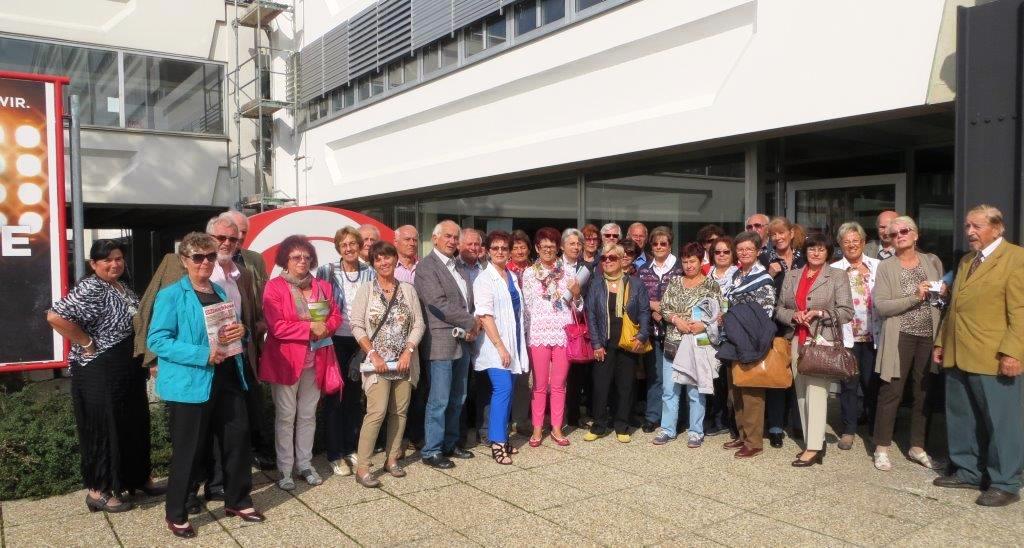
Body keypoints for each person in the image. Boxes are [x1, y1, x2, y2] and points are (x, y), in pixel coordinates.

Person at [134, 213, 274, 483]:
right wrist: (153, 359)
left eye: (234, 238)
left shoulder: (243, 273)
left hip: (233, 361)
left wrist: (249, 331)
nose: (228, 243)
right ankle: (192, 489)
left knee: (230, 429)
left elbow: (248, 314)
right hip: (192, 366)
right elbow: (154, 310)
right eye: (221, 237)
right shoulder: (178, 265)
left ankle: (220, 485)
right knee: (194, 437)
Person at [147, 232, 263, 538]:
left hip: (228, 377)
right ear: (184, 260)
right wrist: (202, 354)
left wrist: (241, 331)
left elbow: (229, 331)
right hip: (191, 382)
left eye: (210, 256)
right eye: (198, 257)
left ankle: (238, 500)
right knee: (189, 450)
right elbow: (157, 340)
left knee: (237, 440)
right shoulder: (171, 295)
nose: (205, 262)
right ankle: (176, 513)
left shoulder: (220, 291)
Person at [47, 239, 160, 514]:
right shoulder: (91, 287)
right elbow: (54, 317)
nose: (115, 264)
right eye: (107, 260)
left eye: (118, 258)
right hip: (100, 369)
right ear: (93, 264)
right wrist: (86, 343)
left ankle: (137, 479)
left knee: (133, 423)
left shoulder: (121, 286)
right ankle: (98, 491)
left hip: (127, 367)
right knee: (103, 428)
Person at [933, 204, 1024, 507]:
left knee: (1001, 422)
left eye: (977, 226)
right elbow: (955, 306)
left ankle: (1006, 482)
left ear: (997, 228)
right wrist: (941, 342)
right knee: (962, 417)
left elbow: (1020, 312)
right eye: (967, 226)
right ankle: (968, 470)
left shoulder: (1016, 258)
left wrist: (1013, 352)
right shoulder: (967, 260)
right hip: (958, 352)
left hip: (993, 357)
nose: (970, 232)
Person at [260, 235, 342, 490]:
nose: (302, 261)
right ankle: (285, 469)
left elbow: (335, 316)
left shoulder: (321, 286)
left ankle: (305, 464)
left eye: (307, 257)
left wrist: (325, 327)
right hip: (286, 362)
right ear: (285, 260)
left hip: (316, 359)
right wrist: (309, 328)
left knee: (308, 414)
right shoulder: (275, 287)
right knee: (286, 416)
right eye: (296, 257)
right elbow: (277, 326)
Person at [349, 241, 425, 487]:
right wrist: (373, 354)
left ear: (395, 259)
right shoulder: (366, 290)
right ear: (373, 263)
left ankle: (392, 459)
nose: (384, 262)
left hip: (404, 363)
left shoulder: (408, 290)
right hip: (377, 365)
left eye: (387, 257)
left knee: (399, 412)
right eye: (378, 259)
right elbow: (356, 325)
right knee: (376, 412)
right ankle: (362, 467)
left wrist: (408, 351)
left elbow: (418, 324)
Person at [871, 216, 943, 472]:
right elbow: (882, 306)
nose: (899, 236)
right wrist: (914, 297)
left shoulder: (931, 261)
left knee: (923, 391)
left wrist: (942, 294)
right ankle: (881, 447)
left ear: (915, 234)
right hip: (900, 335)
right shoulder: (886, 267)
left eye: (904, 231)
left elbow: (939, 302)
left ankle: (917, 446)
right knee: (892, 391)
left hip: (928, 335)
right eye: (893, 234)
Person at [776, 232, 853, 467]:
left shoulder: (837, 275)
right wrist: (794, 315)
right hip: (797, 340)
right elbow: (779, 308)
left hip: (822, 341)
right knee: (801, 393)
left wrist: (820, 313)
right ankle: (814, 440)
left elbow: (846, 312)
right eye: (812, 248)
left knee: (817, 393)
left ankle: (813, 448)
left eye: (821, 249)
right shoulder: (792, 275)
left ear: (828, 252)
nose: (816, 253)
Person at [414, 220, 481, 469]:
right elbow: (437, 303)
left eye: (455, 237)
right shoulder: (426, 267)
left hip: (463, 340)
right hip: (440, 341)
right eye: (447, 236)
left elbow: (466, 301)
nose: (452, 241)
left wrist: (471, 326)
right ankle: (432, 450)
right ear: (435, 238)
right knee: (439, 400)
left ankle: (450, 444)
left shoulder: (459, 266)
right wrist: (472, 322)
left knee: (458, 397)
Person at [316, 226, 375, 477]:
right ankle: (334, 453)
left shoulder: (369, 272)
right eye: (344, 245)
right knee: (334, 396)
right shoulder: (327, 271)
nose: (349, 248)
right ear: (338, 248)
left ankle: (351, 447)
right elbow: (319, 303)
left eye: (353, 243)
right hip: (334, 340)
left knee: (354, 396)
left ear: (359, 246)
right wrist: (319, 331)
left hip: (360, 341)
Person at [655, 242, 725, 448]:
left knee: (695, 390)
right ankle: (667, 429)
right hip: (674, 341)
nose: (688, 265)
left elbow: (721, 312)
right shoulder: (675, 281)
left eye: (692, 261)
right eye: (685, 261)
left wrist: (704, 324)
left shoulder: (711, 285)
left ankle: (696, 431)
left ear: (701, 261)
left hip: (698, 342)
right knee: (670, 389)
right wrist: (676, 320)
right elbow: (664, 307)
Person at [473, 231, 530, 464]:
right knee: (503, 389)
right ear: (487, 251)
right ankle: (496, 442)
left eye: (504, 248)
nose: (500, 252)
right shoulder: (484, 279)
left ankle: (504, 438)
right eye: (495, 248)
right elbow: (485, 316)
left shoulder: (511, 276)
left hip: (513, 342)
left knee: (509, 391)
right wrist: (500, 347)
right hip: (495, 345)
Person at [584, 243, 651, 443]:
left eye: (612, 258)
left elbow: (644, 312)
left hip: (627, 342)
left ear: (622, 260)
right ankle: (599, 426)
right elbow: (591, 315)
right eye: (604, 258)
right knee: (600, 386)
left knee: (625, 386)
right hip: (604, 342)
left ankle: (622, 425)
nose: (607, 261)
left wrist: (642, 335)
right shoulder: (596, 284)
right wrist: (596, 344)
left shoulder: (636, 284)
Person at [522, 227, 582, 447]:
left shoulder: (568, 272)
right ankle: (537, 428)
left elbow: (578, 306)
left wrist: (577, 294)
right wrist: (527, 336)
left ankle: (556, 427)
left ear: (558, 248)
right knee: (539, 384)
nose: (548, 250)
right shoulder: (529, 273)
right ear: (537, 248)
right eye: (544, 246)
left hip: (563, 333)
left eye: (552, 246)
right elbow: (527, 307)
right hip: (538, 333)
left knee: (558, 384)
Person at [720, 231, 776, 458]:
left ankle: (754, 442)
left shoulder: (763, 278)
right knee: (735, 391)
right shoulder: (736, 275)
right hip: (732, 339)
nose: (744, 253)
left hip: (750, 340)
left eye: (749, 249)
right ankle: (742, 435)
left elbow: (765, 313)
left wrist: (735, 317)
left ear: (758, 251)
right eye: (740, 249)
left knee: (751, 393)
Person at [830, 222, 881, 451]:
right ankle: (849, 430)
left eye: (855, 240)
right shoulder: (834, 269)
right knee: (849, 385)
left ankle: (875, 430)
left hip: (873, 336)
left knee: (872, 384)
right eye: (846, 241)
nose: (851, 245)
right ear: (840, 245)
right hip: (847, 336)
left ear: (863, 242)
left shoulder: (878, 266)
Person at [760, 216, 806, 448]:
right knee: (778, 375)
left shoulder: (804, 259)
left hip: (802, 323)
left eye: (781, 233)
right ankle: (776, 427)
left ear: (791, 233)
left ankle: (799, 423)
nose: (778, 238)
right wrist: (770, 273)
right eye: (773, 234)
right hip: (776, 324)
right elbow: (757, 288)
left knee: (800, 375)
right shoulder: (765, 258)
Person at [637, 226, 682, 433]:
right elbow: (638, 298)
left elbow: (684, 298)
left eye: (663, 243)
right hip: (652, 331)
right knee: (655, 376)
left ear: (670, 245)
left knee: (677, 376)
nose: (659, 247)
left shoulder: (680, 269)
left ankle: (676, 417)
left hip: (676, 332)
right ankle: (652, 416)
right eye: (655, 243)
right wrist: (651, 307)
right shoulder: (644, 270)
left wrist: (661, 310)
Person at [706, 235, 738, 437]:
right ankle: (716, 419)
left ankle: (731, 421)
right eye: (718, 252)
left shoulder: (739, 275)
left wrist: (726, 315)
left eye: (726, 251)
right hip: (707, 334)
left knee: (730, 381)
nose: (722, 255)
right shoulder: (706, 274)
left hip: (731, 334)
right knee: (713, 379)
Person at [225, 209, 269, 299]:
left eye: (244, 232)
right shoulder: (209, 259)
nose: (241, 236)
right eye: (237, 230)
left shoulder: (256, 259)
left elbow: (266, 293)